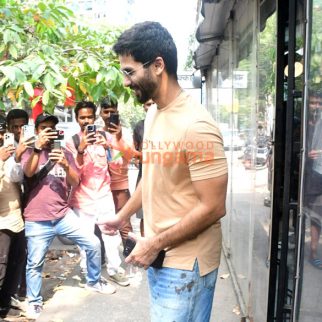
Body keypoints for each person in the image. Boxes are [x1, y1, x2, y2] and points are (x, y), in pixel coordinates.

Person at [98, 21, 228, 321]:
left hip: (185, 266)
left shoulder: (197, 125)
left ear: (158, 65)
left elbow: (213, 206)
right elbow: (152, 177)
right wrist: (122, 216)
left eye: (130, 71)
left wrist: (155, 243)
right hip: (159, 256)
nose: (126, 82)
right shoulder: (155, 111)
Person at [21, 113, 115, 320]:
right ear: (37, 130)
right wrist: (37, 147)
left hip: (63, 215)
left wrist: (64, 164)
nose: (48, 132)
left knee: (92, 243)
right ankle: (34, 302)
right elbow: (28, 173)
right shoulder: (29, 150)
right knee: (35, 263)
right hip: (37, 219)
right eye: (44, 128)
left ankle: (93, 281)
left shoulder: (63, 152)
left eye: (51, 128)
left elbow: (74, 181)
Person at [65, 101, 129, 287]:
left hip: (104, 195)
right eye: (82, 117)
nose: (86, 121)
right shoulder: (72, 142)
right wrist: (81, 149)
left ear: (95, 117)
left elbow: (119, 164)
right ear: (77, 119)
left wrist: (110, 148)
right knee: (86, 238)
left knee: (111, 234)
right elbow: (73, 173)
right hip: (82, 198)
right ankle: (88, 271)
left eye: (89, 117)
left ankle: (115, 269)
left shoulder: (105, 136)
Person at [99, 96, 136, 244]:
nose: (108, 116)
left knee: (125, 226)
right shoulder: (95, 132)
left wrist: (115, 142)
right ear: (100, 113)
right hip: (99, 189)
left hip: (120, 188)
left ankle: (132, 259)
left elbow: (128, 157)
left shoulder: (124, 133)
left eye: (112, 112)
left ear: (117, 112)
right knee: (99, 226)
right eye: (105, 111)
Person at [0, 116, 26, 317]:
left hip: (18, 217)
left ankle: (6, 302)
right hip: (2, 221)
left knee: (16, 264)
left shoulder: (16, 150)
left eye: (3, 132)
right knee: (1, 265)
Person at [133, 99, 154, 236]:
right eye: (148, 104)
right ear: (143, 107)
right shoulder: (139, 126)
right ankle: (144, 246)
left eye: (153, 103)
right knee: (144, 216)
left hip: (164, 178)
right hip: (144, 177)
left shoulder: (168, 124)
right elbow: (135, 150)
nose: (151, 107)